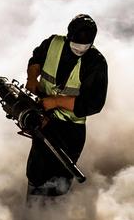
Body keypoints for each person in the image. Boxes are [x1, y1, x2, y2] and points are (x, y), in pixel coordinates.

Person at [24, 14, 108, 197]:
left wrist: (55, 101)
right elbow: (36, 59)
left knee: (59, 180)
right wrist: (32, 78)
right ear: (69, 35)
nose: (81, 47)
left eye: (86, 44)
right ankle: (31, 216)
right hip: (44, 120)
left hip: (70, 131)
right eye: (78, 41)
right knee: (37, 174)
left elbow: (94, 104)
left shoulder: (96, 62)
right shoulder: (53, 43)